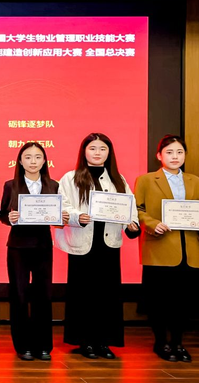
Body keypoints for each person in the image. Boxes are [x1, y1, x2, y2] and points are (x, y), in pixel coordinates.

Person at [133, 135, 199, 363]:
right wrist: (152, 224)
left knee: (184, 302)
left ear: (185, 155)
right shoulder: (146, 180)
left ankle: (178, 343)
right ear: (159, 156)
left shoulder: (196, 182)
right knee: (159, 301)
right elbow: (137, 209)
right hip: (159, 248)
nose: (175, 157)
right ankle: (161, 342)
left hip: (189, 250)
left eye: (179, 152)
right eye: (169, 152)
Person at [55, 133, 140, 360]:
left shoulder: (118, 179)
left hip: (108, 244)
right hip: (83, 244)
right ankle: (85, 342)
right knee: (83, 295)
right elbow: (63, 206)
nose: (97, 153)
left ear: (109, 153)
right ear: (84, 151)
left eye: (102, 149)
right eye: (92, 148)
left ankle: (104, 342)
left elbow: (129, 206)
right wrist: (77, 216)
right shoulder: (70, 178)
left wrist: (132, 224)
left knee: (107, 295)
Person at [0, 141, 65, 361]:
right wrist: (10, 218)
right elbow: (2, 215)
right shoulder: (11, 185)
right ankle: (22, 345)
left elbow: (57, 216)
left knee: (43, 295)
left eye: (38, 157)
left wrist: (61, 218)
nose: (33, 161)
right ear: (20, 161)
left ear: (44, 161)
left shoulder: (54, 185)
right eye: (28, 157)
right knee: (19, 295)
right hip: (18, 247)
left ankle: (43, 345)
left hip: (43, 246)